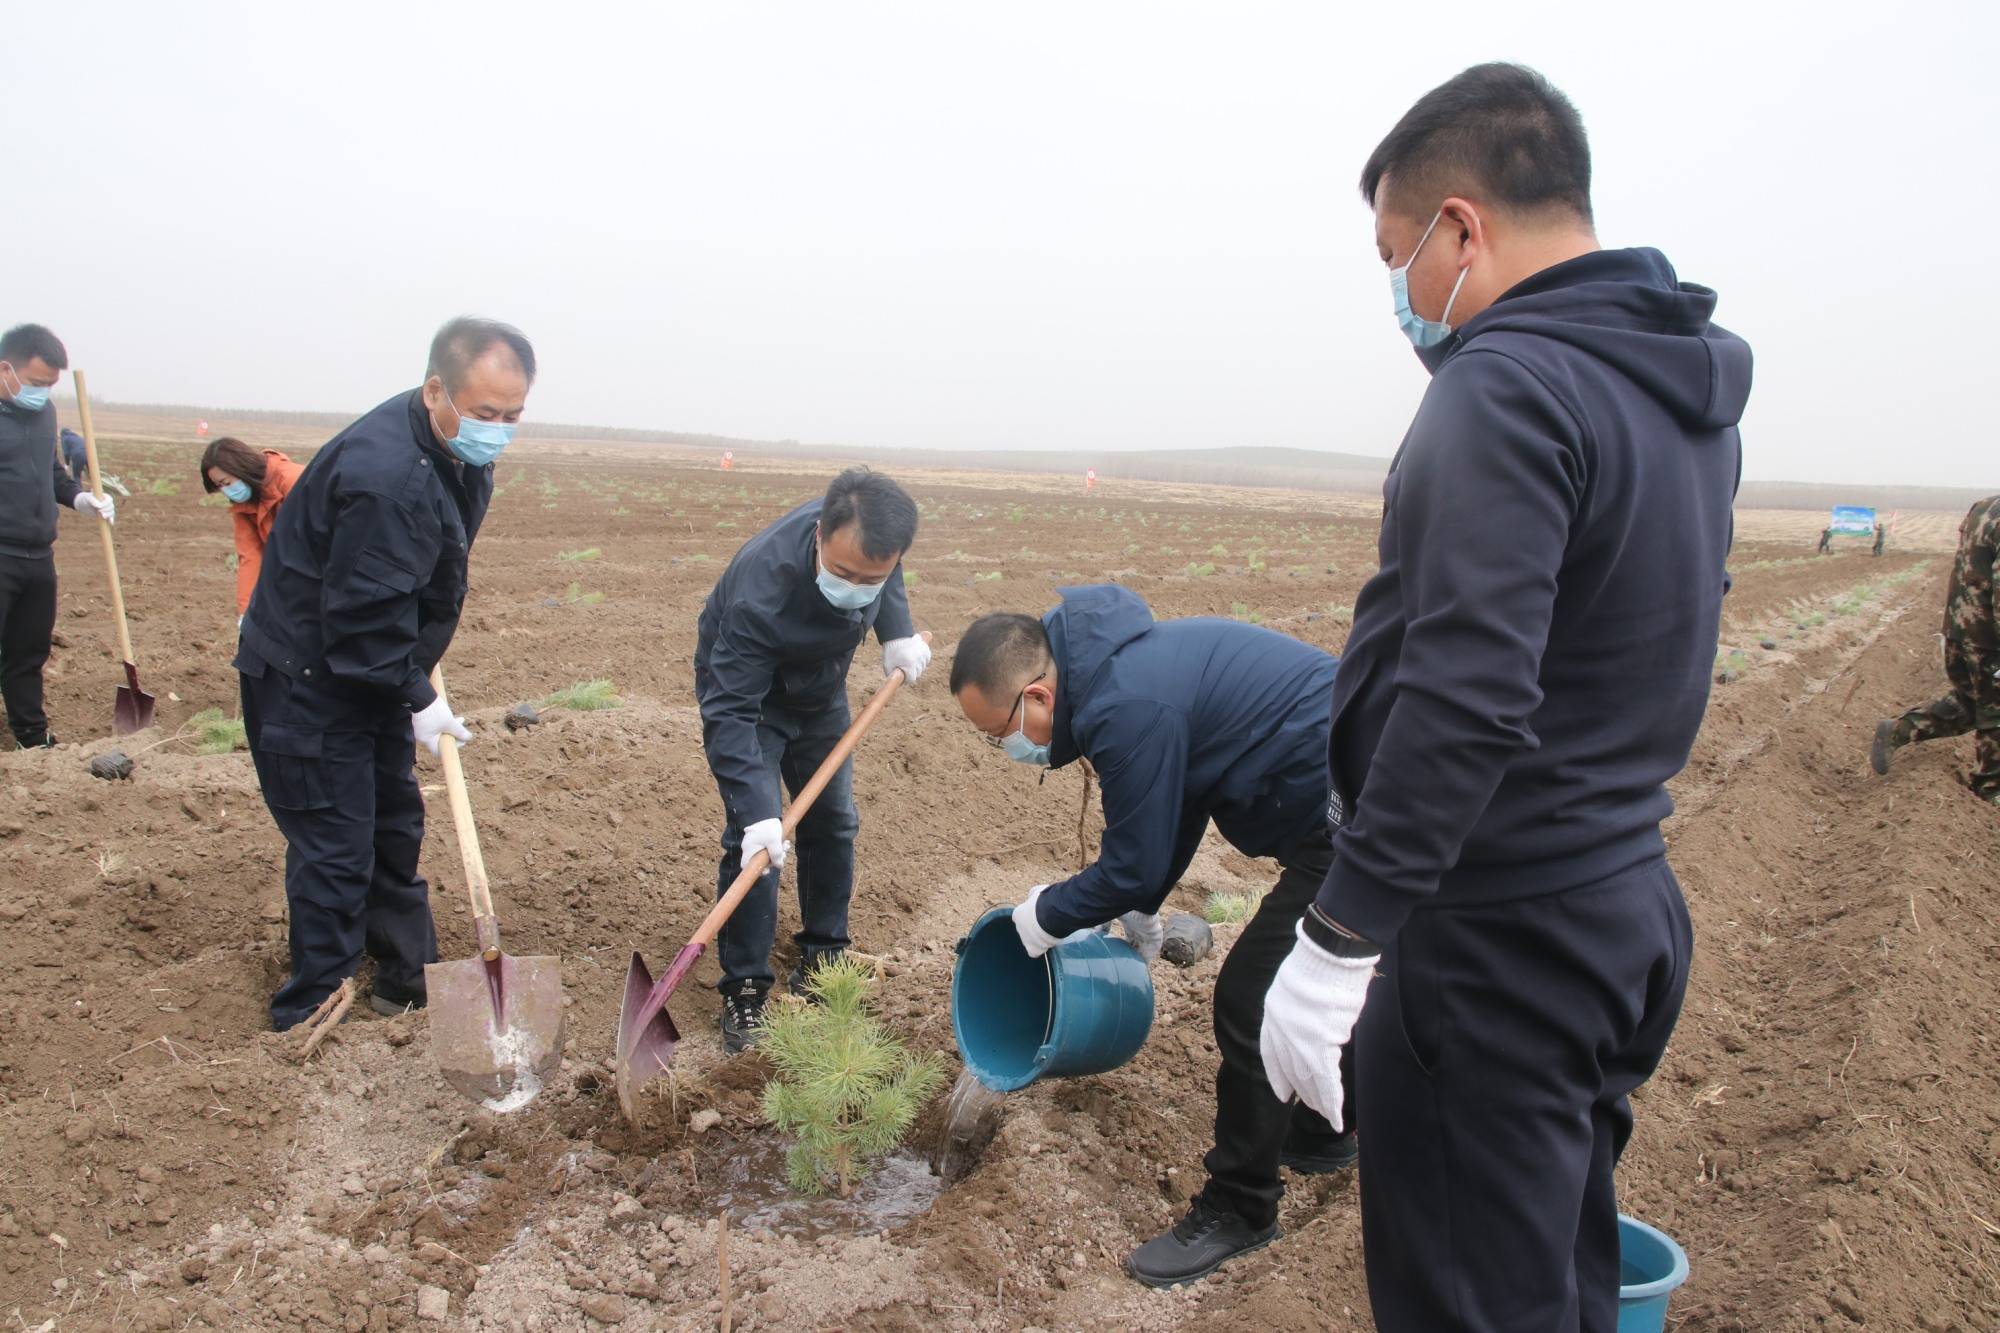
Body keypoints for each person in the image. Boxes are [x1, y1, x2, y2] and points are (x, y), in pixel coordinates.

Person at [1255, 65, 1749, 1332]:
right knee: (1549, 1274)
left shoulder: (1506, 384)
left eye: (1395, 253)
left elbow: (1468, 692)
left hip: (1494, 936)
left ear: (1460, 228)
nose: (1400, 293)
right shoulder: (1673, 385)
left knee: (1470, 1302)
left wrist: (1338, 937)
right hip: (1615, 905)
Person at [948, 586, 1357, 1288]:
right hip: (1336, 788)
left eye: (999, 734)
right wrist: (1140, 900)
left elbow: (1131, 861)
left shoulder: (1126, 705)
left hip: (1356, 807)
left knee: (1251, 996)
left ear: (1040, 699)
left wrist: (1041, 915)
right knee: (1283, 975)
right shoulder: (1119, 672)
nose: (1005, 749)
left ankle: (1242, 1207)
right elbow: (1183, 796)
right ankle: (1323, 1132)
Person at [235, 317, 534, 1030]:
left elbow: (415, 580)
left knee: (393, 827)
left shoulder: (452, 449)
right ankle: (311, 1008)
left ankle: (406, 983)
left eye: (512, 416)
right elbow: (361, 623)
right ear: (438, 389)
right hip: (308, 682)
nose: (497, 429)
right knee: (336, 848)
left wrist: (410, 669)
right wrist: (417, 693)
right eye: (485, 413)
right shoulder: (388, 479)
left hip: (368, 670)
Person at [694, 468, 928, 1052]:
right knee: (759, 843)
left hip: (821, 692)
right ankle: (745, 987)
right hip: (754, 698)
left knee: (833, 820)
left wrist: (895, 629)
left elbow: (883, 570)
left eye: (869, 579)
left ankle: (825, 957)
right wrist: (755, 812)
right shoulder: (761, 591)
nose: (856, 585)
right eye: (844, 573)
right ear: (820, 535)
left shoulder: (874, 544)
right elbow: (729, 714)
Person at [0, 323, 117, 749]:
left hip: (38, 555)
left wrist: (79, 498)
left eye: (50, 386)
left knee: (28, 653)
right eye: (35, 383)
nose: (42, 393)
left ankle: (32, 737)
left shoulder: (43, 413)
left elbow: (51, 473)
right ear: (5, 369)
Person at [1870, 496, 1998, 803]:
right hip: (1987, 637)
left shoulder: (1985, 506)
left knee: (1970, 702)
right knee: (1995, 711)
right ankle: (1990, 791)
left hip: (1959, 628)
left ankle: (1901, 730)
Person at [199, 436, 305, 618]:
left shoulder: (293, 481)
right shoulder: (245, 505)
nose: (226, 490)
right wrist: (246, 612)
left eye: (226, 483)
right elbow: (250, 556)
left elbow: (315, 541)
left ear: (240, 469)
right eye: (219, 486)